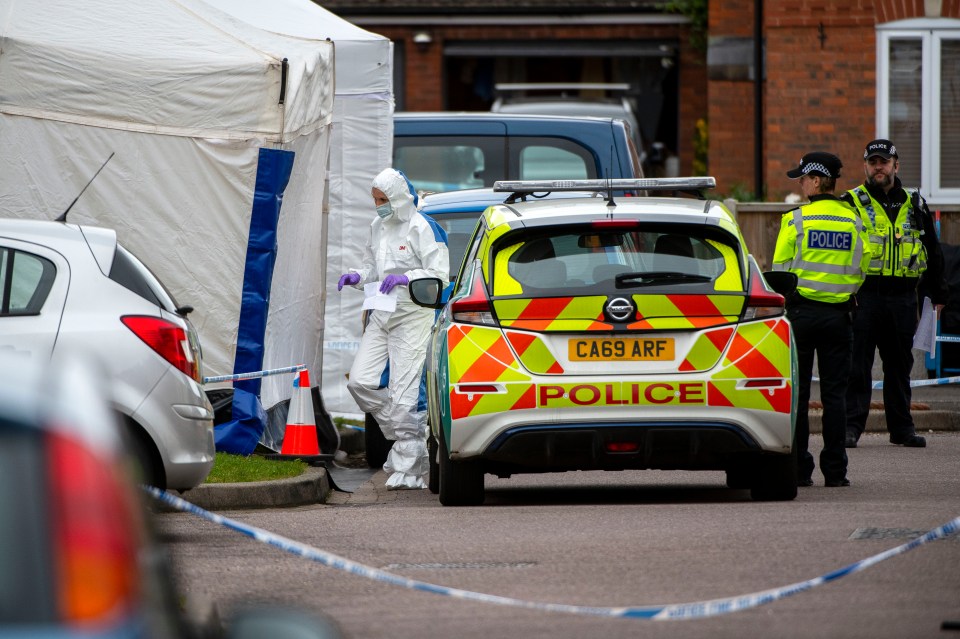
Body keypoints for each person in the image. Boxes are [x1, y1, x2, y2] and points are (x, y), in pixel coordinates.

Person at [338, 168, 449, 489]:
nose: (378, 206)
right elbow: (372, 268)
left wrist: (407, 277)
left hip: (414, 315)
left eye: (383, 199)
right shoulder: (378, 226)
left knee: (404, 396)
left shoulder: (423, 228)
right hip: (382, 312)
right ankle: (409, 442)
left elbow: (440, 274)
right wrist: (358, 277)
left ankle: (411, 466)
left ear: (399, 197)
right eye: (375, 200)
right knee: (360, 382)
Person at [841, 139, 948, 449]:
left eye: (884, 161)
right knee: (858, 366)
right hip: (865, 296)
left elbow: (932, 250)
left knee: (899, 367)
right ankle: (850, 428)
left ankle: (902, 429)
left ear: (895, 165)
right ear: (865, 166)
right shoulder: (852, 203)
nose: (878, 167)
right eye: (873, 161)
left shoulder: (916, 203)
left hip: (903, 297)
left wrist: (938, 293)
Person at [773, 152, 868, 487]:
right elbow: (862, 272)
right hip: (839, 318)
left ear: (816, 181)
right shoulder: (855, 221)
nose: (800, 184)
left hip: (800, 316)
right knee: (835, 398)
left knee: (797, 397)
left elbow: (780, 273)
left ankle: (800, 470)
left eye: (803, 178)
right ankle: (836, 472)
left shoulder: (796, 220)